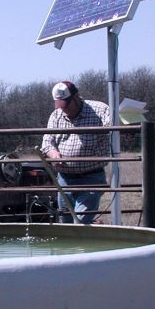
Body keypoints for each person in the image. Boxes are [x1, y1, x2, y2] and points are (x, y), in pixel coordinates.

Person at [41, 81, 111, 224]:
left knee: (80, 220)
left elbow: (115, 127)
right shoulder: (56, 116)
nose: (64, 109)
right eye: (60, 106)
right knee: (65, 221)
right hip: (64, 178)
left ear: (76, 97)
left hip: (91, 178)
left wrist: (126, 126)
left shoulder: (100, 110)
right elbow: (47, 142)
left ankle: (86, 239)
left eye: (66, 105)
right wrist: (53, 154)